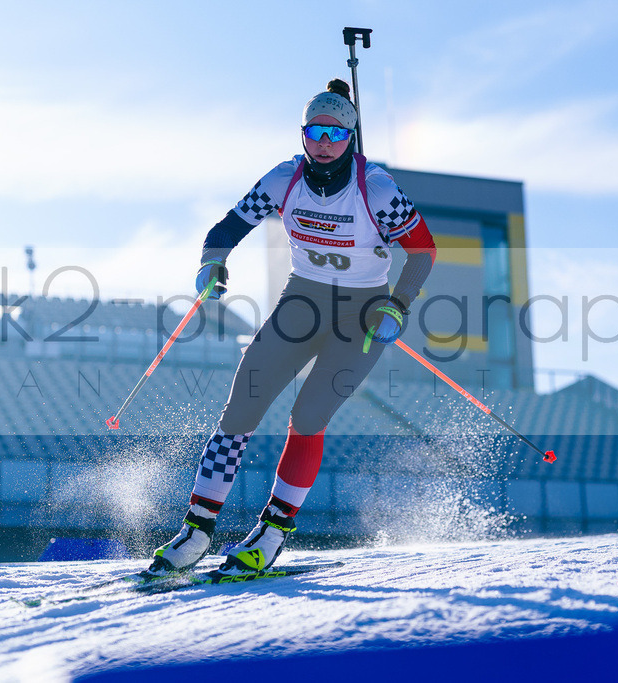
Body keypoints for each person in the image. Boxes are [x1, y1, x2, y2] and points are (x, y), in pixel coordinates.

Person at [150, 79, 437, 575]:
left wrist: (398, 304)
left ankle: (272, 531)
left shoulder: (376, 188)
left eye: (335, 133)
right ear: (302, 133)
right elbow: (227, 228)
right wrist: (212, 262)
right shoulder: (284, 179)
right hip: (301, 302)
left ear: (350, 136)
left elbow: (423, 251)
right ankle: (196, 530)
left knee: (308, 417)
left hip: (362, 315)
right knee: (242, 407)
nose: (324, 143)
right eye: (314, 132)